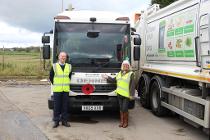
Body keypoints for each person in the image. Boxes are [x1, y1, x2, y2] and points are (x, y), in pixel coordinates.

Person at [102, 60, 135, 128]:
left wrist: (131, 95)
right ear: (122, 66)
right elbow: (114, 80)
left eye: (127, 65)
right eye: (124, 65)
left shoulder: (131, 74)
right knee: (121, 108)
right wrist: (107, 77)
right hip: (119, 94)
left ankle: (126, 122)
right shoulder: (120, 73)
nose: (125, 66)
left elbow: (132, 85)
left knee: (125, 108)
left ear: (129, 66)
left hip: (126, 95)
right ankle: (122, 122)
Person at [49, 52, 72, 128]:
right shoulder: (54, 66)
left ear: (66, 58)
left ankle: (64, 121)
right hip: (57, 90)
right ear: (58, 57)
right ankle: (56, 121)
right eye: (61, 56)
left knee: (65, 106)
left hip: (65, 90)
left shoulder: (69, 66)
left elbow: (69, 76)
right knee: (56, 106)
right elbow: (51, 77)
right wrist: (55, 84)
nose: (63, 57)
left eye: (64, 56)